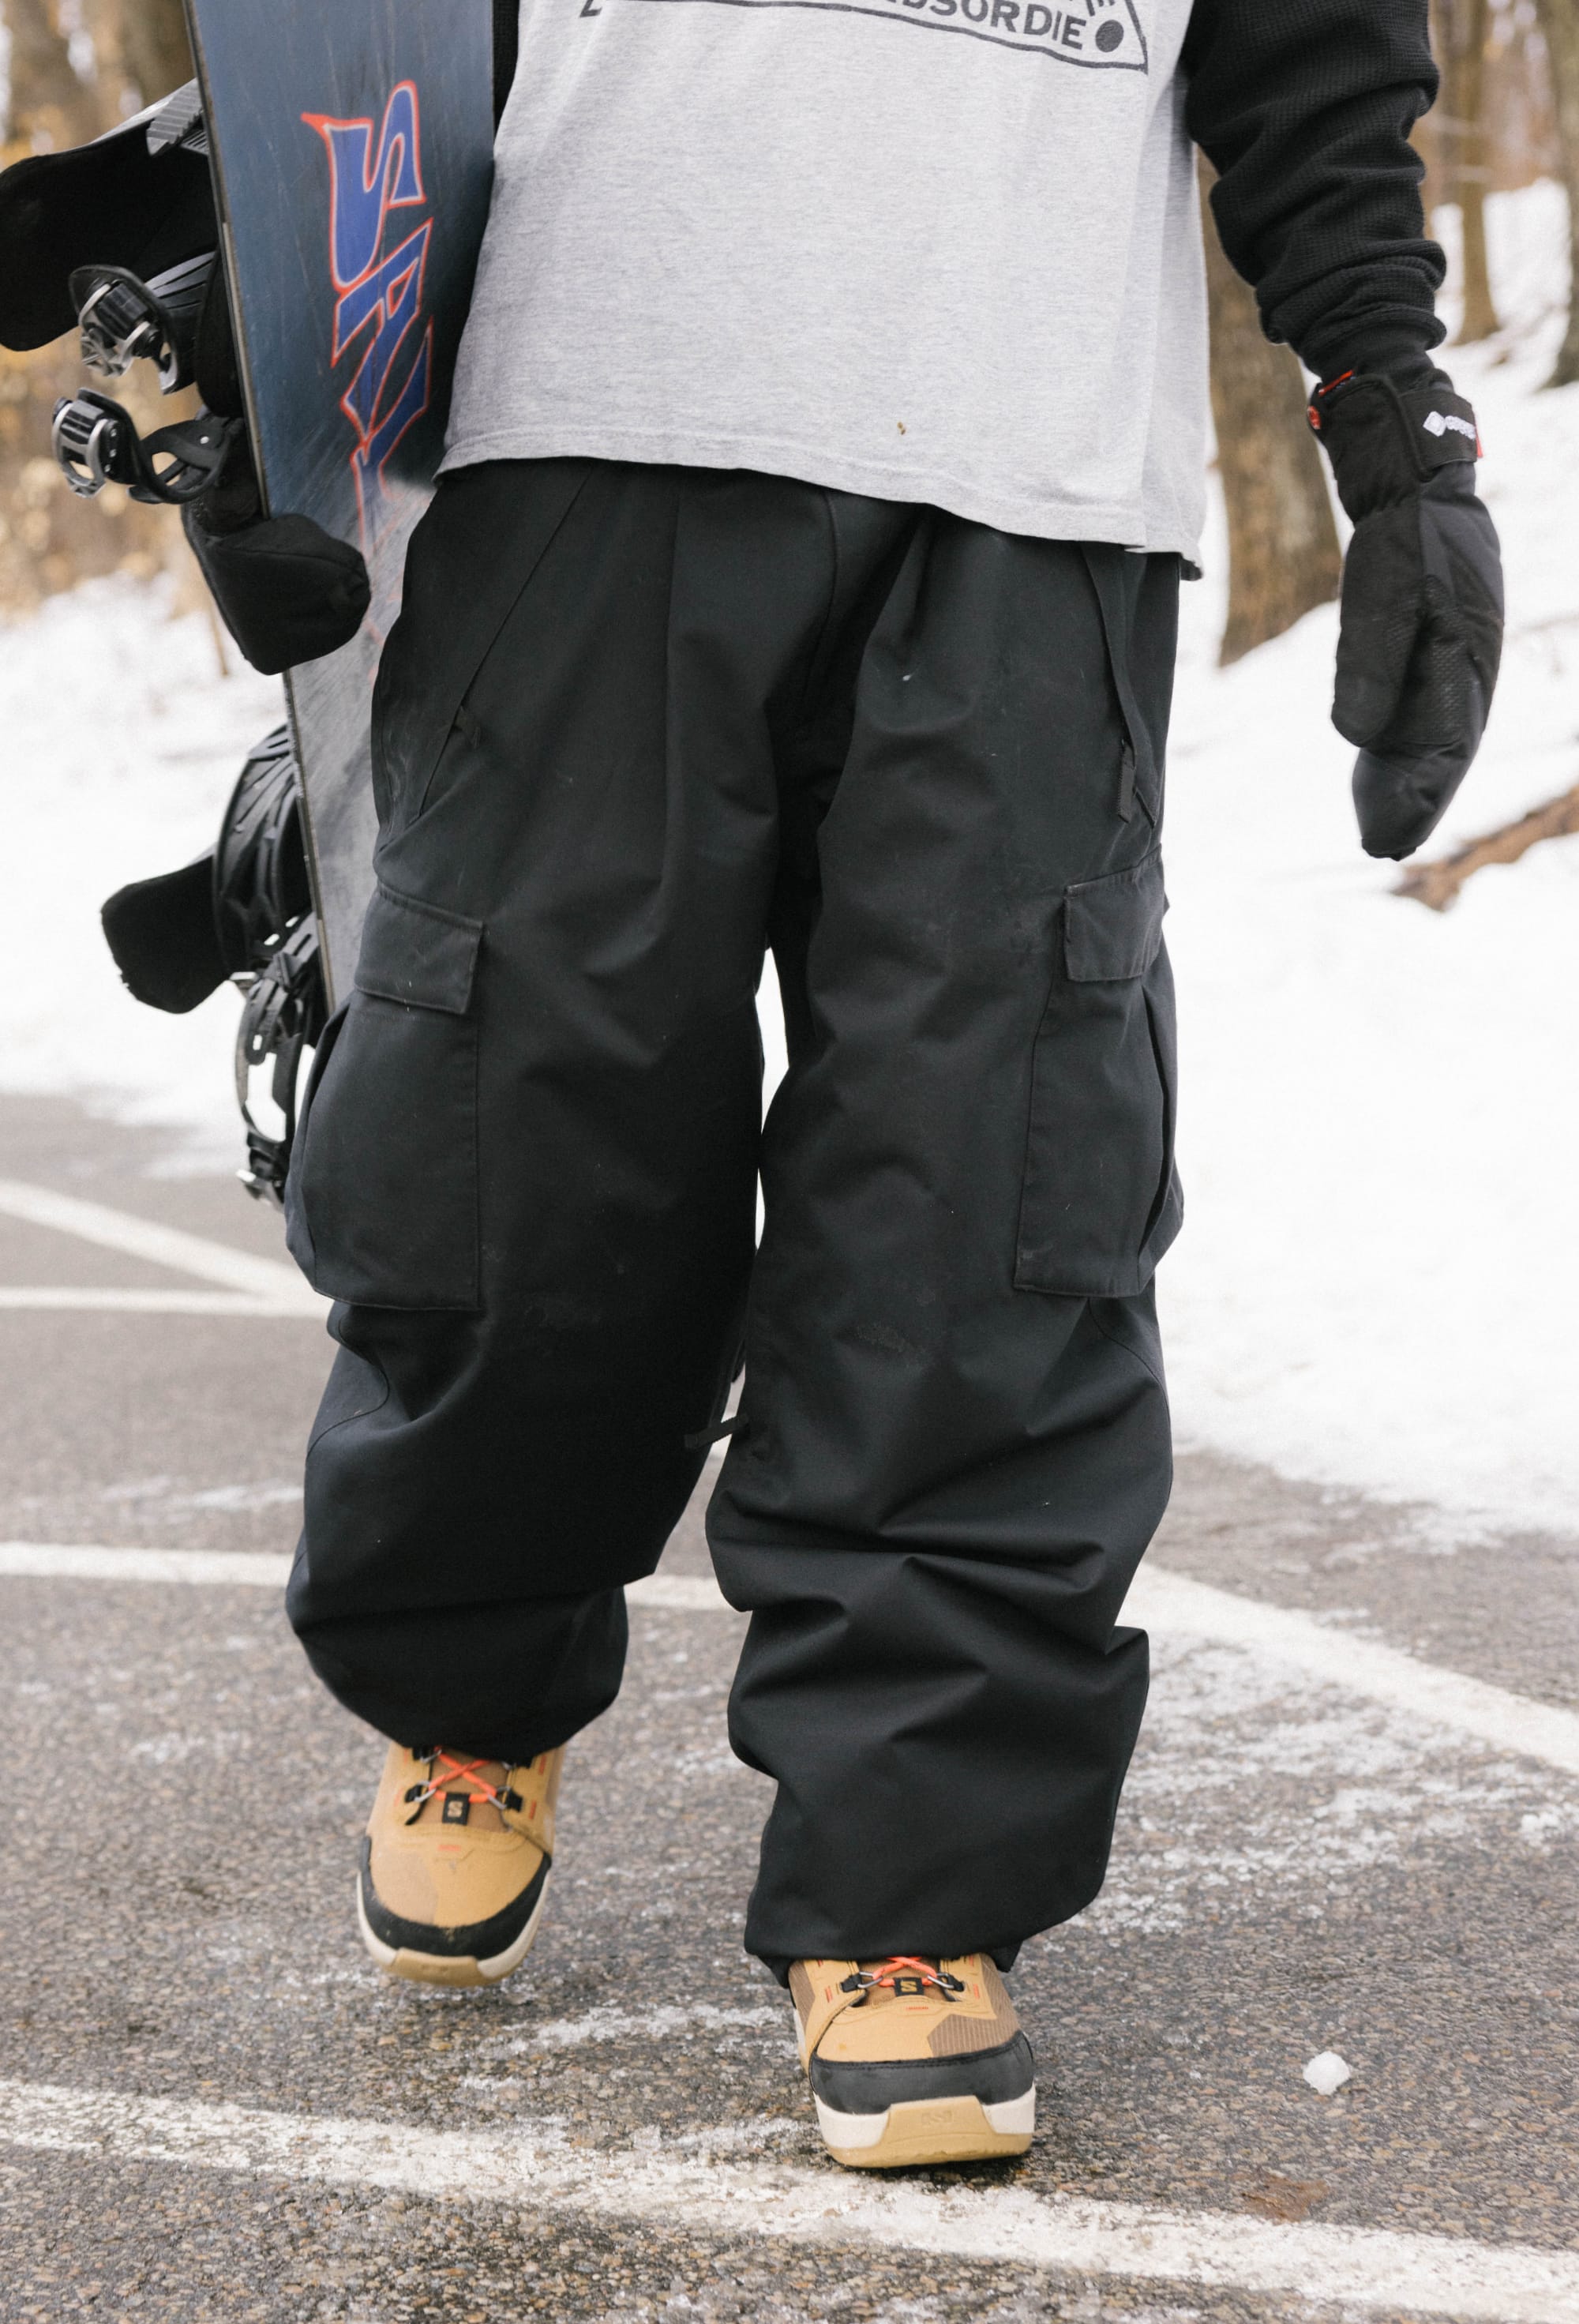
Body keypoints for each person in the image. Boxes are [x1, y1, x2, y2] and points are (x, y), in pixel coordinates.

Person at [271, 0, 1502, 2172]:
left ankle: (911, 1878)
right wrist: (259, 312)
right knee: (520, 1133)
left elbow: (1313, 55)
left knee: (984, 1187)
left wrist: (1399, 427)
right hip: (589, 410)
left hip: (1028, 471)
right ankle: (467, 1681)